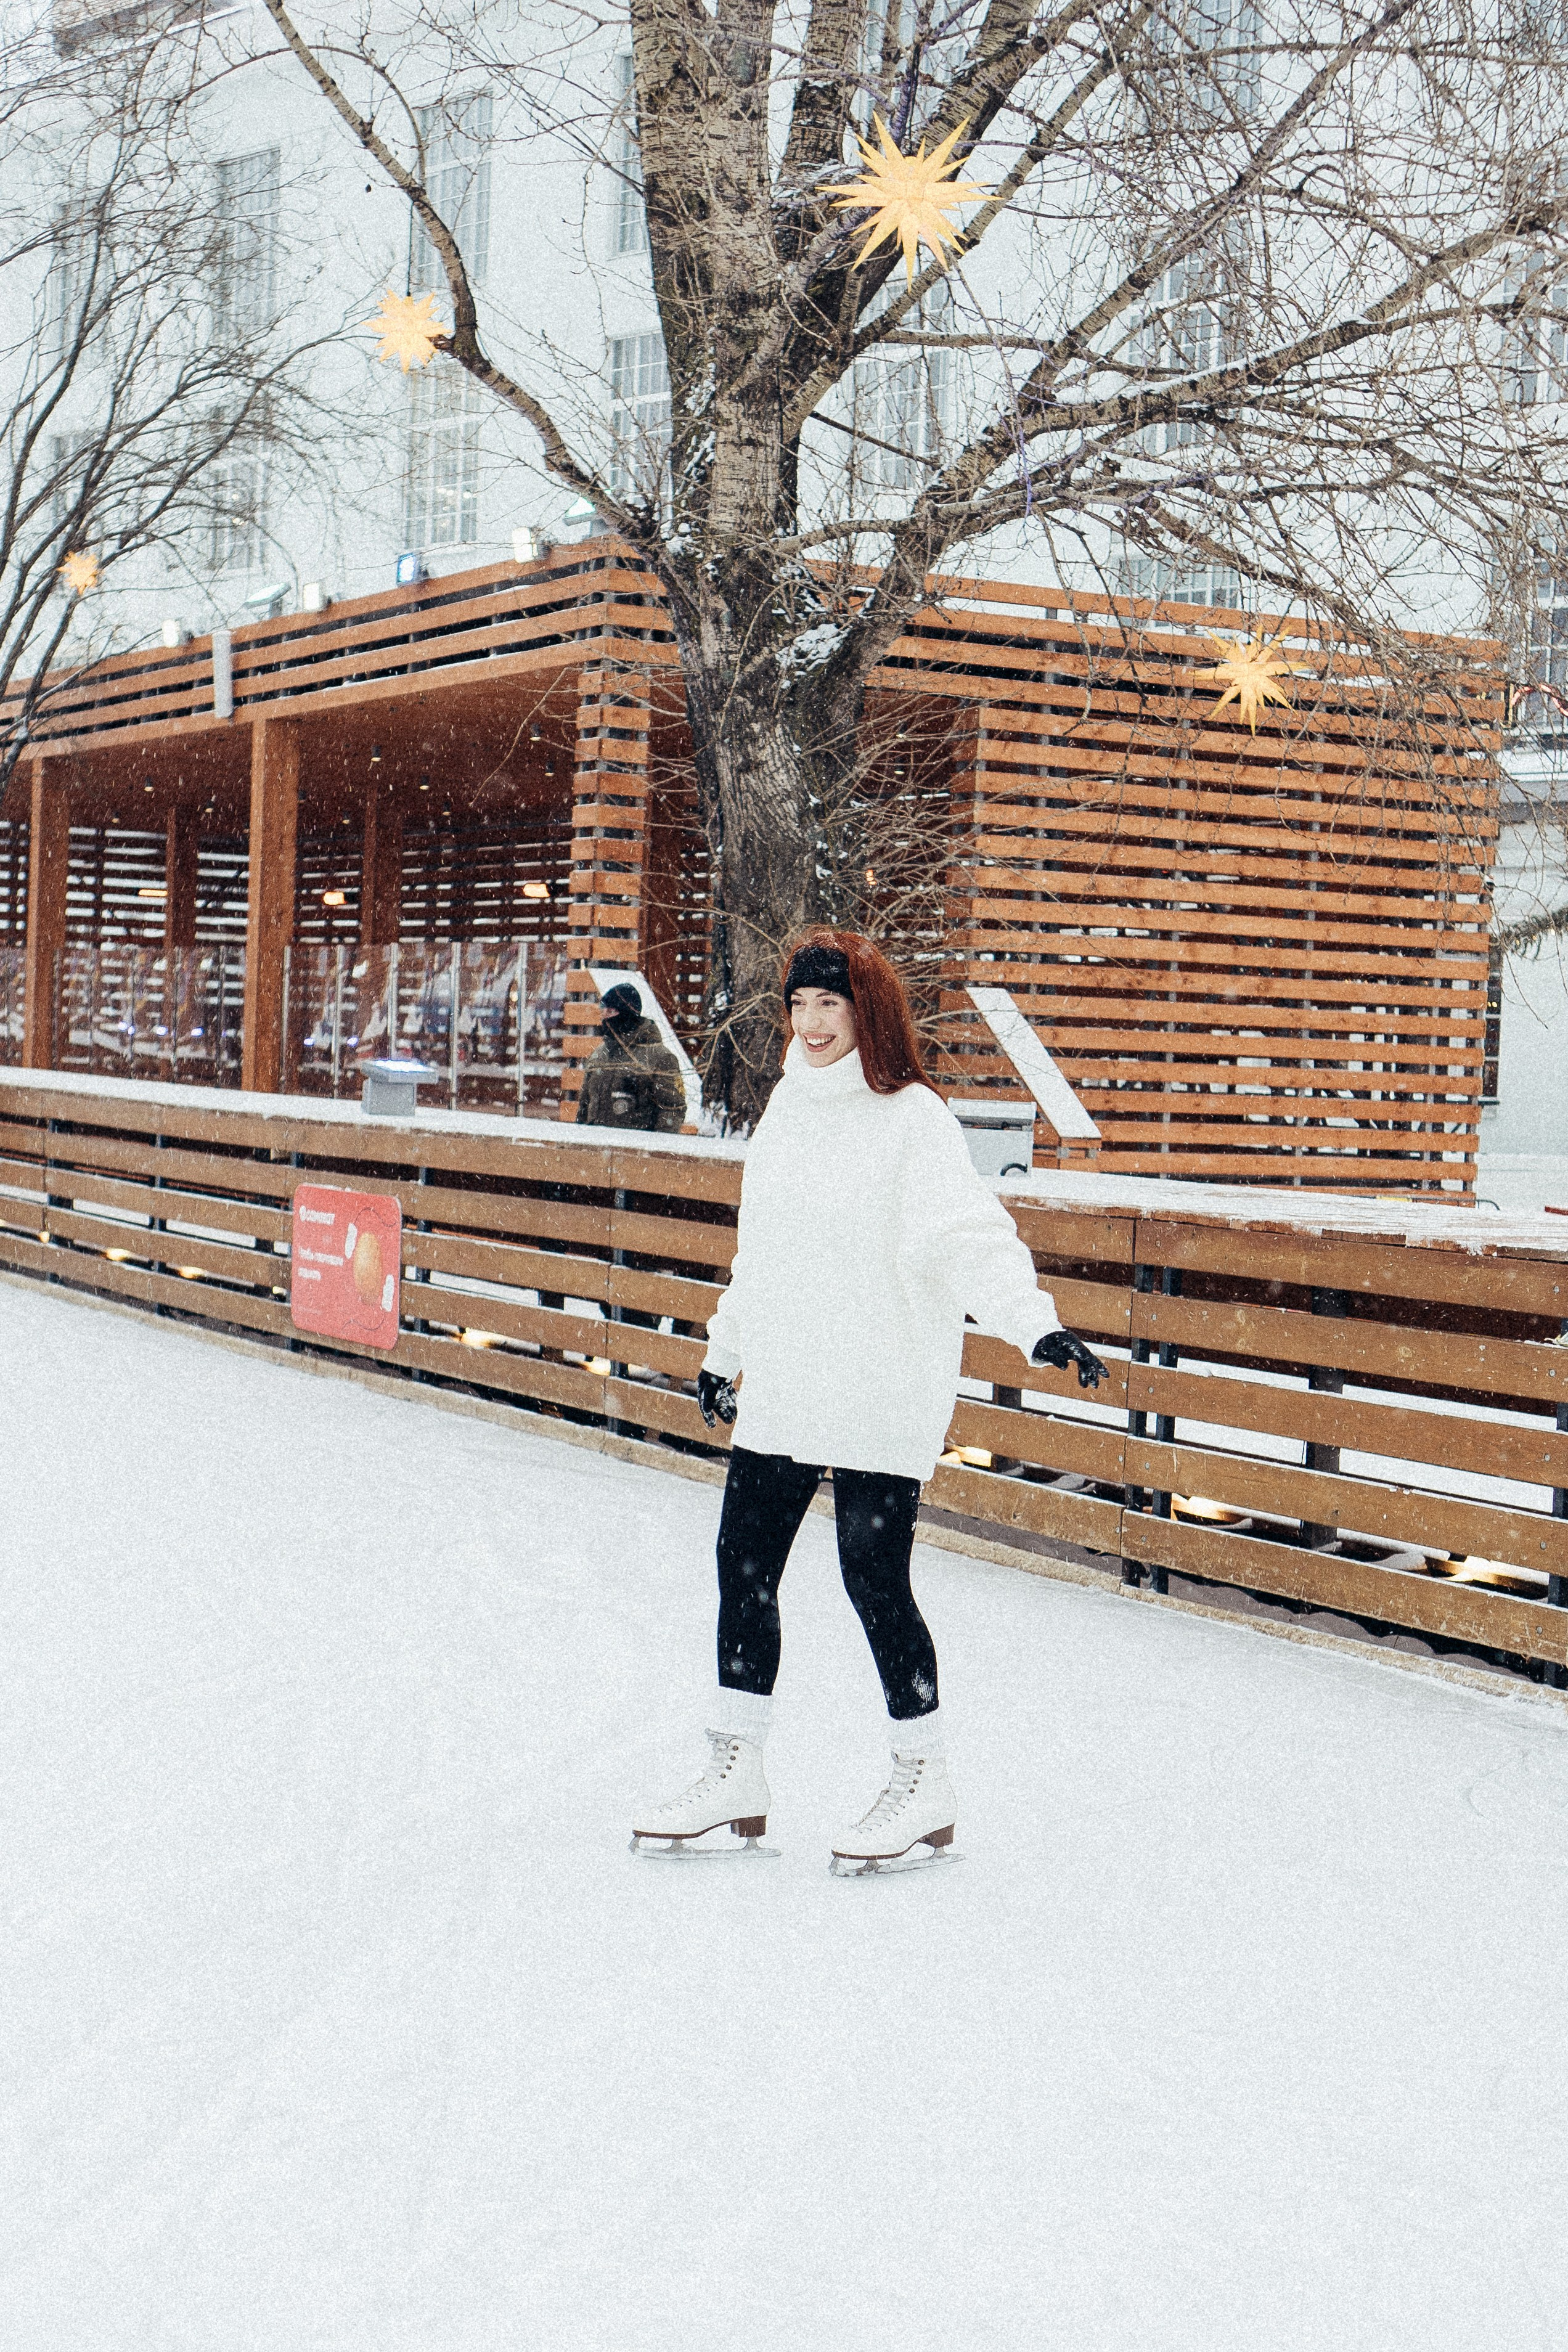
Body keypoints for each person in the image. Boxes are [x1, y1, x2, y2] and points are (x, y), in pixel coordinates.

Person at [631, 928, 1108, 1873]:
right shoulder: (784, 1114)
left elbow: (970, 1234)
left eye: (830, 1006)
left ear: (867, 1014)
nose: (810, 1025)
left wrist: (1033, 1322)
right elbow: (759, 1254)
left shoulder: (912, 1120)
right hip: (793, 1378)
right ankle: (737, 1767)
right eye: (798, 1007)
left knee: (872, 1579)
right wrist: (725, 1355)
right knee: (743, 1563)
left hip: (882, 1381)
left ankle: (923, 1775)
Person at [575, 982, 685, 1133]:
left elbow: (673, 1110)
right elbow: (584, 1107)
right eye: (604, 1010)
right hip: (594, 1148)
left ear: (628, 1014)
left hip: (635, 1151)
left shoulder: (660, 1058)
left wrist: (654, 1151)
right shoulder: (598, 1056)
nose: (605, 1016)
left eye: (612, 1011)